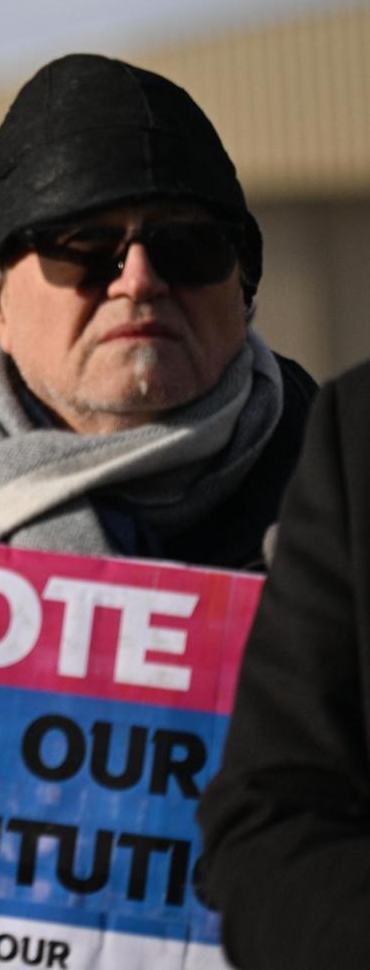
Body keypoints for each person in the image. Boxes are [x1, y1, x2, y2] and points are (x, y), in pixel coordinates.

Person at [0, 52, 315, 569]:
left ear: (242, 283)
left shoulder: (346, 504)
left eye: (184, 242)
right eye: (84, 248)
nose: (139, 281)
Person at [197, 361, 370, 968]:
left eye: (191, 259)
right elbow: (274, 824)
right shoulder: (357, 433)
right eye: (84, 259)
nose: (138, 282)